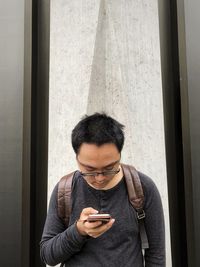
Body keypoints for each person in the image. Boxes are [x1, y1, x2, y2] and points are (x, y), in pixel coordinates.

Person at [40, 112, 165, 267]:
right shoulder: (64, 191)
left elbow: (156, 256)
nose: (99, 178)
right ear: (76, 158)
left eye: (109, 168)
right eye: (89, 169)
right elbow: (48, 255)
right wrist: (79, 230)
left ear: (119, 155)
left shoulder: (142, 187)